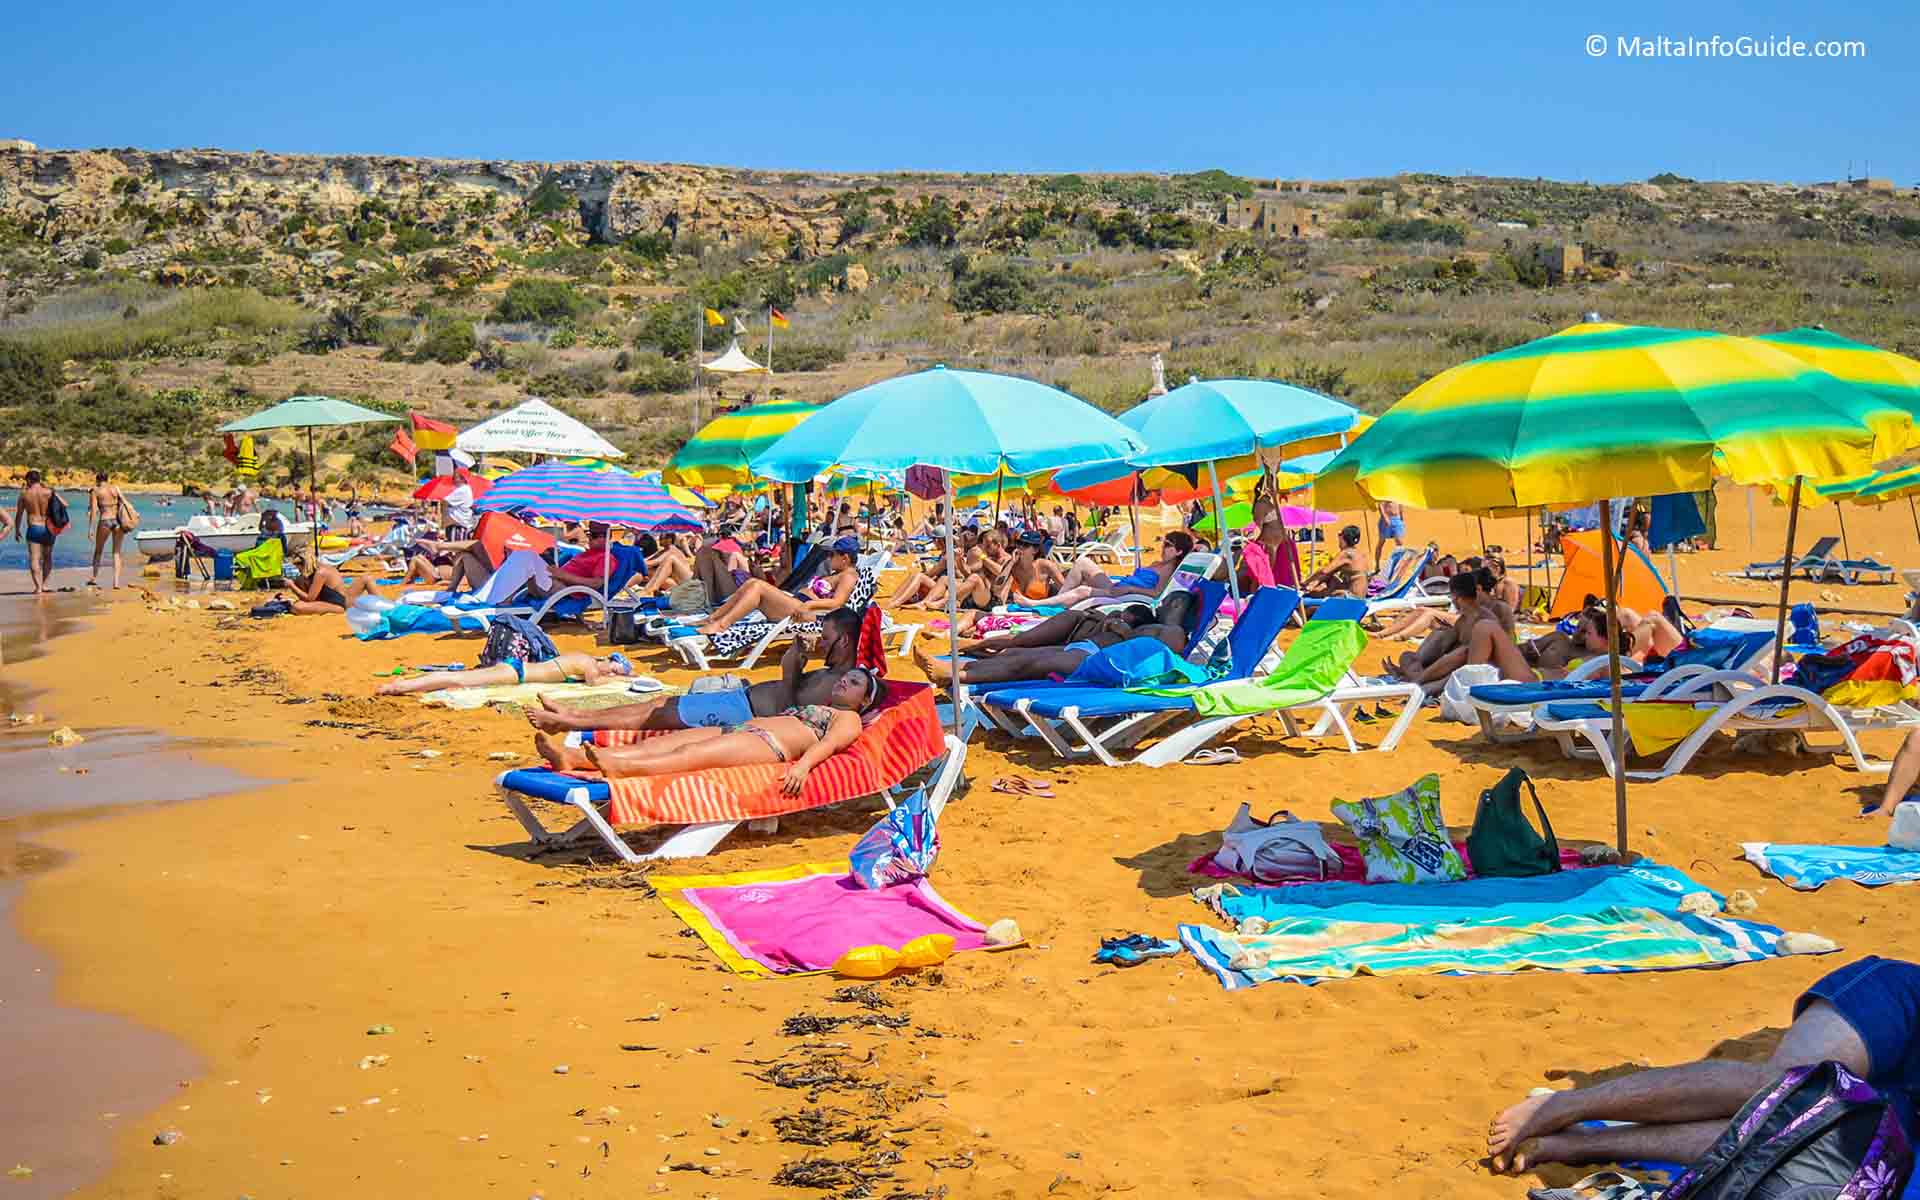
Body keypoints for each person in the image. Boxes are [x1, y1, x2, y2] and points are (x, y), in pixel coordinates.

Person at [1488, 955, 1920, 1173]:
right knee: (1787, 1085)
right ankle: (1569, 1105)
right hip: (1904, 1004)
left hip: (1908, 1102)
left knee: (1802, 1134)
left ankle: (1586, 1145)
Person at [534, 666, 885, 792]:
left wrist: (804, 766)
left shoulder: (849, 719)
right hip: (742, 728)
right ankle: (572, 758)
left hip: (766, 744)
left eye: (853, 682)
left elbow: (833, 746)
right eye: (845, 677)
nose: (843, 682)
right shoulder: (825, 706)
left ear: (864, 701)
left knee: (688, 755)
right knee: (667, 743)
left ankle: (620, 768)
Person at [530, 608, 863, 735]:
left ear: (844, 641)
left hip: (743, 711)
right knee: (655, 707)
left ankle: (567, 721)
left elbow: (789, 712)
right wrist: (795, 660)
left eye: (827, 637)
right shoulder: (833, 673)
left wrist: (791, 668)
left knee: (654, 714)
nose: (820, 642)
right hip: (742, 700)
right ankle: (571, 716)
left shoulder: (837, 683)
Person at [915, 605, 1189, 688]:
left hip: (1108, 665)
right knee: (1023, 656)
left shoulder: (1170, 632)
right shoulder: (1145, 628)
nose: (1165, 605)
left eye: (1172, 603)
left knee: (1033, 664)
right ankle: (957, 667)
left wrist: (1123, 631)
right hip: (1091, 652)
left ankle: (955, 675)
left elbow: (1170, 645)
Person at [698, 536, 862, 635]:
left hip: (807, 613)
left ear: (845, 558)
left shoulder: (848, 576)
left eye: (832, 554)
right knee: (751, 583)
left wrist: (809, 605)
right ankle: (713, 618)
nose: (829, 558)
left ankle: (721, 625)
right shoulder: (839, 574)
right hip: (799, 605)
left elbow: (837, 603)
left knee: (758, 586)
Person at [377, 651, 634, 696]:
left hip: (517, 668)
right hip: (516, 674)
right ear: (608, 661)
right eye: (613, 670)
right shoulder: (589, 665)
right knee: (460, 678)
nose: (611, 674)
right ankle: (400, 686)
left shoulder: (584, 658)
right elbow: (595, 683)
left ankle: (406, 684)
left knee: (462, 679)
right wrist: (624, 679)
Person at [1051, 531, 1198, 607]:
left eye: (1168, 545)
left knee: (1082, 591)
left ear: (1179, 551)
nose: (1163, 548)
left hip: (1124, 594)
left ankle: (1036, 604)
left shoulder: (1169, 569)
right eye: (1164, 543)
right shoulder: (1158, 563)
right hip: (1119, 587)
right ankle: (1056, 603)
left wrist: (1130, 589)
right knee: (1083, 562)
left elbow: (1157, 594)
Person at [1238, 499, 1303, 592]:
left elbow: (1261, 526)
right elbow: (1258, 526)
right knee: (1263, 577)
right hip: (1271, 545)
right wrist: (1251, 540)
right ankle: (1259, 598)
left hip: (1281, 545)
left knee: (1273, 578)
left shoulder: (1273, 503)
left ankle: (1270, 597)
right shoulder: (1263, 504)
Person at [286, 554, 381, 615]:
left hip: (338, 604)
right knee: (366, 578)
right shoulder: (320, 569)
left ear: (304, 565)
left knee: (296, 607)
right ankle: (381, 604)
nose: (299, 571)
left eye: (298, 568)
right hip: (344, 598)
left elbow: (310, 599)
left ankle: (381, 606)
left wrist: (292, 586)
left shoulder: (320, 573)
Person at [14, 470, 57, 595]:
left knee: (34, 558)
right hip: (48, 528)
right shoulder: (48, 492)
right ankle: (45, 585)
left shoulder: (24, 494)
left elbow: (19, 514)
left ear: (28, 480)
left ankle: (38, 588)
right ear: (39, 479)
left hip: (34, 527)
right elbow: (64, 505)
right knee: (48, 557)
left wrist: (17, 530)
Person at [87, 471, 131, 589]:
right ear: (107, 479)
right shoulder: (115, 488)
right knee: (116, 552)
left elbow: (94, 511)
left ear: (97, 480)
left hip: (105, 521)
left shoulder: (95, 491)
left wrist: (90, 528)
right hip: (117, 521)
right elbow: (124, 502)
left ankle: (94, 577)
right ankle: (116, 582)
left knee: (98, 550)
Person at [1301, 525, 1370, 598]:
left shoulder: (1346, 553)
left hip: (1352, 596)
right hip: (1360, 595)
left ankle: (1305, 595)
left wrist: (1306, 582)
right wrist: (1313, 584)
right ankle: (1308, 591)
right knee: (1331, 577)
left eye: (1340, 535)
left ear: (1343, 538)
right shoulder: (1359, 553)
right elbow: (1328, 573)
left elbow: (1324, 571)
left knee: (1317, 594)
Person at [1375, 500, 1406, 571]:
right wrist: (1385, 517)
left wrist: (1402, 518)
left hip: (1397, 519)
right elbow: (1380, 505)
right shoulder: (1386, 491)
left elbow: (1400, 505)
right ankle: (1377, 565)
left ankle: (1400, 565)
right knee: (1381, 543)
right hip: (1386, 519)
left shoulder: (1397, 493)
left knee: (1400, 543)